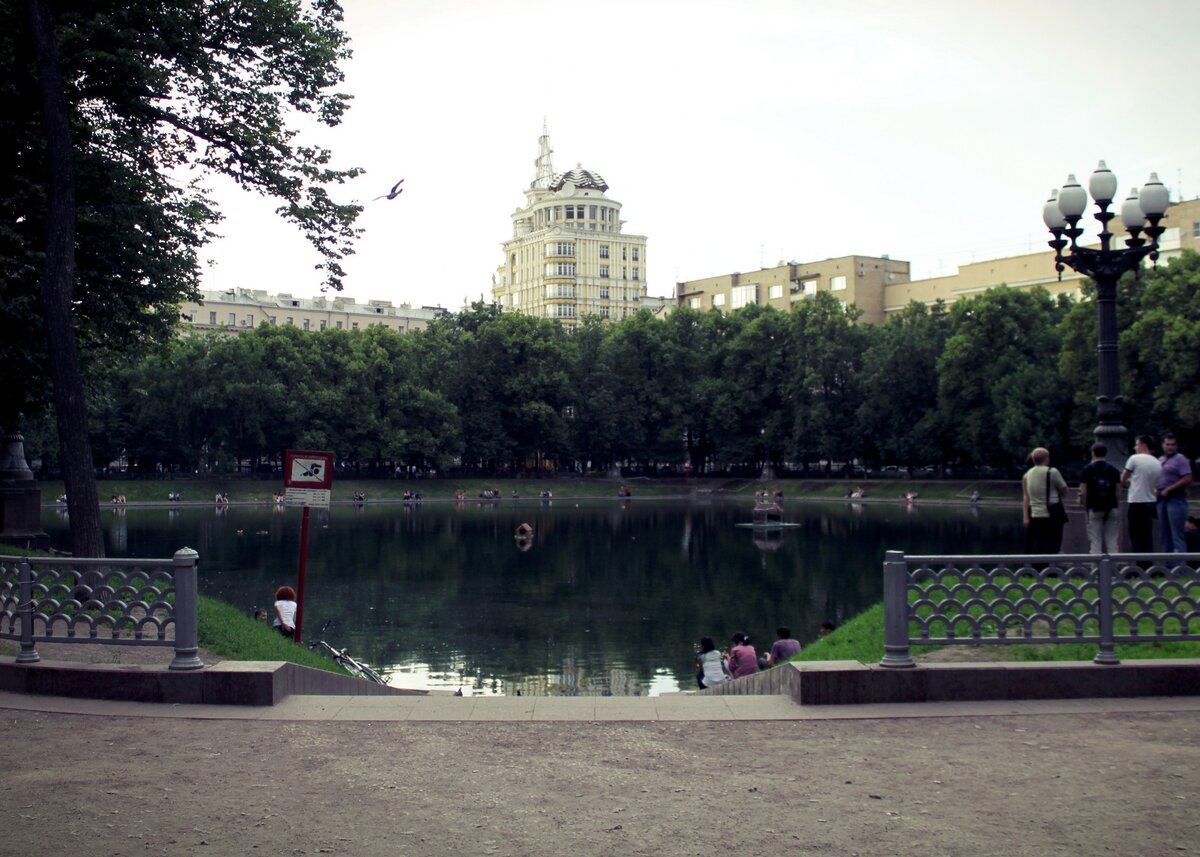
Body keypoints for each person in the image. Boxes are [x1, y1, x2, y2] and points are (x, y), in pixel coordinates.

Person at [1078, 442, 1122, 555]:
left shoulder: (1086, 470)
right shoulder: (1114, 470)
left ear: (1093, 453)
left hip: (1094, 508)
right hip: (1111, 507)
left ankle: (1096, 564)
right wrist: (1116, 505)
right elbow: (1118, 492)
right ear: (1105, 453)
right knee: (1112, 541)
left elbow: (1083, 492)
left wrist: (1085, 507)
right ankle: (1113, 564)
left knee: (1095, 540)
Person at [1022, 447, 1068, 554]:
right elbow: (1064, 489)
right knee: (1053, 543)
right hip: (1052, 514)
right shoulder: (1052, 472)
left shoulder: (1027, 475)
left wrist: (1026, 517)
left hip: (1035, 514)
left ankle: (1038, 563)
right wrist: (1060, 494)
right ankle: (1050, 563)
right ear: (1047, 458)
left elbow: (1026, 497)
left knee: (1038, 544)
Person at [1122, 435, 1162, 553]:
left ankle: (1138, 561)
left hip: (1137, 501)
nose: (1135, 447)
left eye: (1137, 444)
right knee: (1147, 535)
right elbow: (1157, 484)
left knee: (1135, 536)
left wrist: (1127, 482)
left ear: (1143, 444)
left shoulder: (1134, 459)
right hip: (1150, 502)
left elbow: (1124, 478)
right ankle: (1148, 561)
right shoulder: (1157, 462)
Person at [1156, 432, 1194, 553]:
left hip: (1176, 499)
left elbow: (1188, 478)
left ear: (1176, 446)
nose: (1170, 447)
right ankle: (1168, 562)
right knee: (1165, 535)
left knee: (1177, 535)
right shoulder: (1160, 460)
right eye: (1168, 444)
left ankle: (1180, 562)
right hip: (1161, 499)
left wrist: (1170, 488)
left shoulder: (1180, 459)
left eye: (1173, 445)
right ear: (1163, 445)